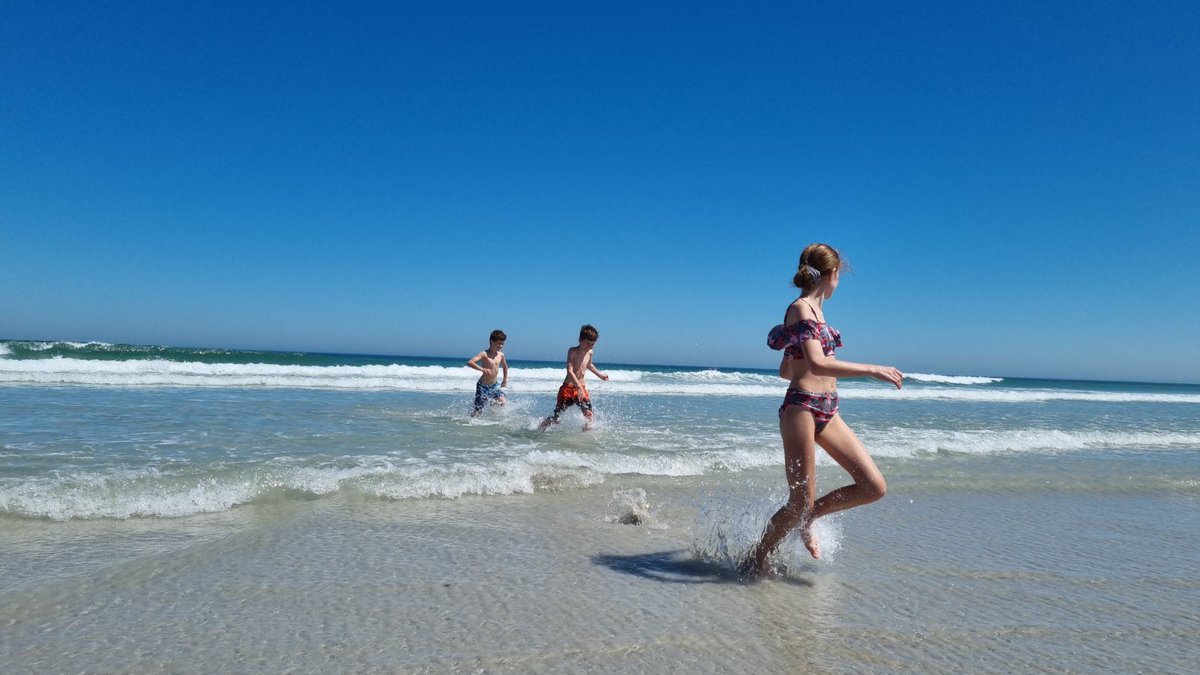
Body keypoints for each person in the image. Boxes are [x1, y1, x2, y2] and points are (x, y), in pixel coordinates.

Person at [742, 243, 904, 575]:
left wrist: (791, 352)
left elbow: (786, 370)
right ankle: (755, 560)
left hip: (828, 408)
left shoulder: (818, 314)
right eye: (839, 277)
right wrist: (872, 370)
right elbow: (816, 363)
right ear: (831, 275)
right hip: (801, 408)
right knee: (798, 500)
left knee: (873, 486)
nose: (838, 284)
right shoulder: (800, 309)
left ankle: (810, 518)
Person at [538, 324, 609, 431]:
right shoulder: (573, 351)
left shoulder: (590, 352)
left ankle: (584, 440)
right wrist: (579, 387)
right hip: (568, 389)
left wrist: (600, 374)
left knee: (589, 415)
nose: (589, 346)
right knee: (557, 418)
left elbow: (589, 365)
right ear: (580, 340)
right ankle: (539, 429)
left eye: (592, 344)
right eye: (587, 343)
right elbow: (570, 371)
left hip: (581, 388)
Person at [466, 329, 509, 416]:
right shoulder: (484, 354)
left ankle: (493, 403)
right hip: (483, 386)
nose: (500, 346)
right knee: (478, 411)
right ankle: (470, 422)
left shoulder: (501, 355)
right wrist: (482, 369)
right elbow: (470, 362)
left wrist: (504, 380)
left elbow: (505, 366)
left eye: (502, 344)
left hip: (494, 385)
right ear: (491, 342)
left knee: (503, 402)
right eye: (498, 343)